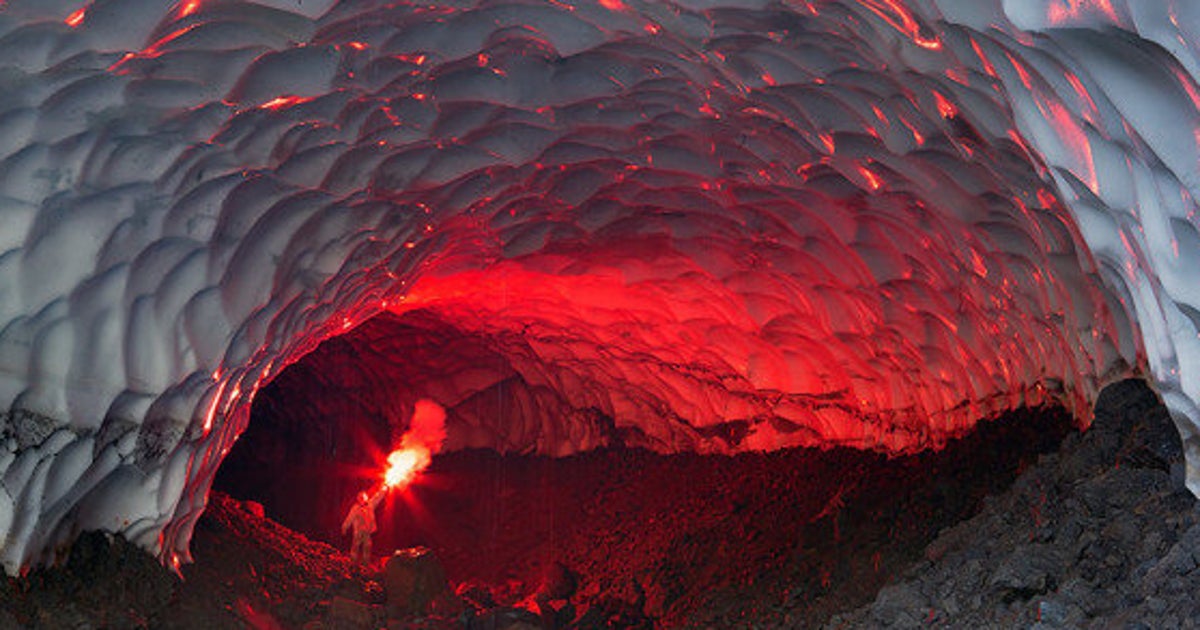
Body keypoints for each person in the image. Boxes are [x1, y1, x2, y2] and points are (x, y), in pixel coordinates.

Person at [342, 486, 385, 566]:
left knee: (367, 546)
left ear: (366, 498)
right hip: (358, 531)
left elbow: (377, 497)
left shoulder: (370, 505)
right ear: (358, 499)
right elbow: (349, 518)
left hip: (367, 531)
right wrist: (344, 527)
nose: (362, 499)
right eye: (360, 497)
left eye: (363, 497)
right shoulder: (355, 508)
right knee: (355, 546)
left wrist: (384, 489)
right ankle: (353, 562)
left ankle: (365, 563)